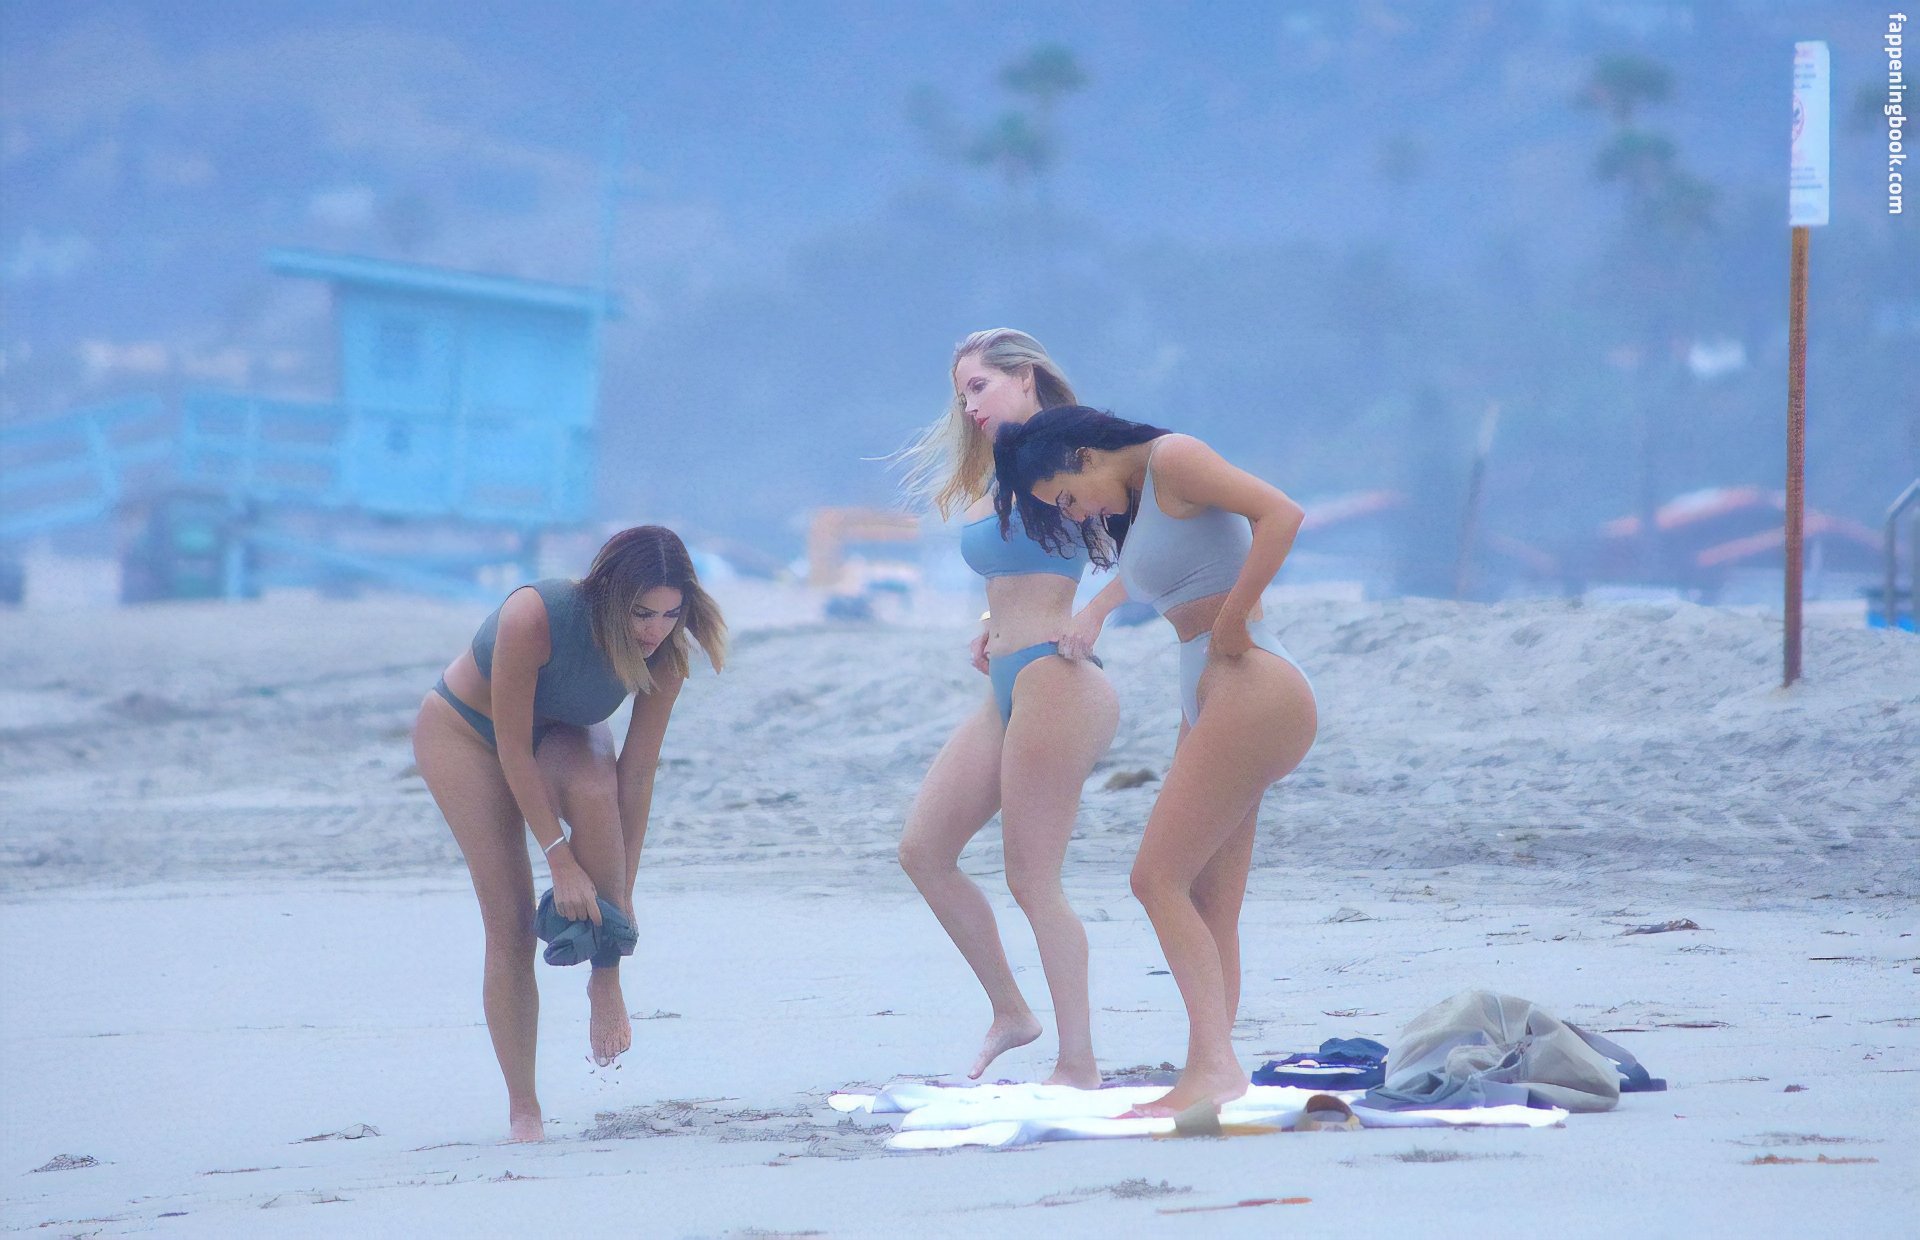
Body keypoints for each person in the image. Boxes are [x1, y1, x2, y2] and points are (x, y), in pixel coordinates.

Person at [993, 406, 1317, 1116]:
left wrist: (1233, 619)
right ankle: (1213, 1067)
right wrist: (1096, 609)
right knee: (1208, 897)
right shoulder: (1143, 499)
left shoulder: (1175, 459)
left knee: (1154, 878)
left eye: (1068, 498)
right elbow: (1156, 572)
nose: (1077, 515)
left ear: (1085, 455)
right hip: (1211, 691)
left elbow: (1282, 514)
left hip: (1251, 683)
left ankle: (1215, 1069)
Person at [411, 526, 727, 1141]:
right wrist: (559, 860)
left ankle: (604, 976)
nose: (655, 629)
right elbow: (511, 748)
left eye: (671, 613)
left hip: (560, 732)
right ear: (608, 593)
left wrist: (621, 902)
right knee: (510, 920)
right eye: (642, 612)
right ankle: (524, 1108)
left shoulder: (667, 655)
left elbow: (637, 776)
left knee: (596, 790)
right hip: (466, 733)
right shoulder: (534, 616)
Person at [890, 329, 1120, 1087]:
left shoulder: (1077, 451)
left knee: (1032, 878)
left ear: (1025, 377)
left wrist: (1094, 614)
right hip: (1008, 680)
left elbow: (1160, 540)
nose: (969, 406)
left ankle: (1078, 1064)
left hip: (1059, 678)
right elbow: (1019, 571)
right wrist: (992, 623)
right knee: (923, 851)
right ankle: (1011, 1012)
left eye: (979, 386)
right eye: (961, 394)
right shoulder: (1003, 467)